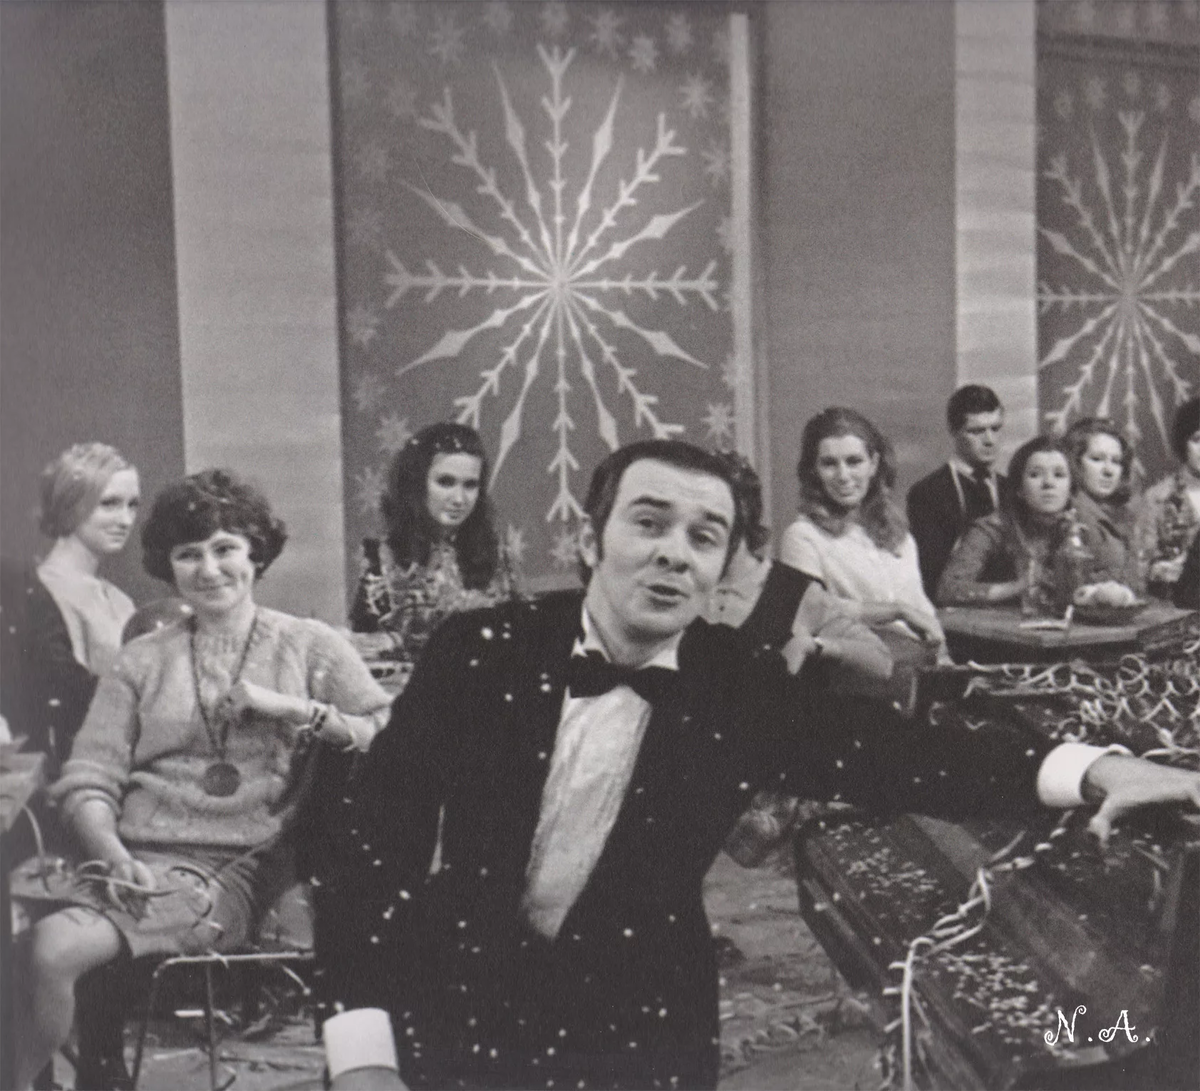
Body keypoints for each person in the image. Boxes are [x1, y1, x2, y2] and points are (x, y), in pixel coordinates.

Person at [313, 438, 1200, 1091]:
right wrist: (362, 1052)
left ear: (720, 566)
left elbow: (908, 756)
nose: (675, 550)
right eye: (649, 523)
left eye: (705, 537)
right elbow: (370, 848)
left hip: (640, 1012)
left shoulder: (736, 682)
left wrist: (1099, 768)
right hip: (456, 992)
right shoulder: (482, 650)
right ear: (590, 540)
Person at [13, 469, 392, 1091]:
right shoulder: (141, 659)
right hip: (124, 860)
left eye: (225, 549)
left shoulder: (309, 645)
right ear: (168, 564)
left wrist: (296, 710)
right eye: (188, 553)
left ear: (255, 553)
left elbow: (388, 730)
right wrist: (112, 853)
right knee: (24, 949)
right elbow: (90, 777)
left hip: (232, 869)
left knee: (49, 950)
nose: (209, 569)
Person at [0, 443, 139, 768]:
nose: (125, 519)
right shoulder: (38, 593)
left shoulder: (120, 599)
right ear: (70, 505)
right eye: (109, 504)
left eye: (133, 505)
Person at [779, 407, 949, 667]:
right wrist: (897, 610)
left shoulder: (899, 536)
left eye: (854, 461)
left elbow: (924, 614)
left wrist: (945, 662)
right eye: (829, 463)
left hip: (918, 666)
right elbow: (809, 611)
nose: (843, 476)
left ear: (874, 464)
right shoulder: (803, 536)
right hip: (855, 672)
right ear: (813, 470)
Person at [350, 422, 517, 658]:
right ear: (417, 484)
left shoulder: (496, 554)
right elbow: (363, 652)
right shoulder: (383, 557)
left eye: (470, 485)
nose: (459, 499)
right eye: (446, 482)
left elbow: (519, 636)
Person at [937, 435, 1076, 609]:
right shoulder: (994, 527)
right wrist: (1019, 586)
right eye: (1035, 475)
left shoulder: (1079, 529)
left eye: (1059, 475)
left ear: (1071, 489)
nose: (1048, 483)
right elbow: (948, 589)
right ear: (1019, 489)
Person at [907, 385, 1005, 596]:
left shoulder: (1012, 489)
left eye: (995, 429)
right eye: (976, 431)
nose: (989, 440)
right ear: (954, 431)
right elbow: (931, 575)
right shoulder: (928, 493)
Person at [1062, 417, 1142, 591]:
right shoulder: (1070, 514)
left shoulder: (1123, 515)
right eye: (1097, 459)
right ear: (1075, 462)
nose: (1108, 470)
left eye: (1116, 461)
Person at [1136, 396, 1200, 600]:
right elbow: (1139, 565)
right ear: (1183, 443)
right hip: (1174, 606)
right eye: (1197, 440)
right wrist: (1159, 570)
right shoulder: (1157, 498)